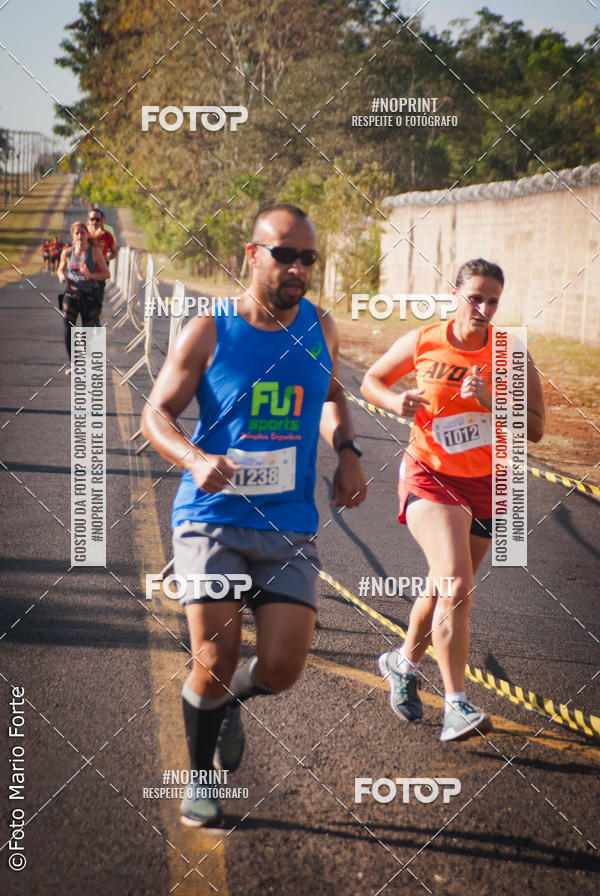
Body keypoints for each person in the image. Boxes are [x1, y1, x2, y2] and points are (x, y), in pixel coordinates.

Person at [142, 204, 367, 826]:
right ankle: (198, 777)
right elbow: (156, 414)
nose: (297, 268)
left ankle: (230, 702)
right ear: (251, 254)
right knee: (212, 657)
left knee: (282, 668)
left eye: (308, 258)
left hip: (289, 522)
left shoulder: (320, 325)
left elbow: (330, 394)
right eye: (284, 255)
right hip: (210, 517)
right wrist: (192, 457)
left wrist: (346, 449)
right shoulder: (208, 330)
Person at [361, 259, 545, 742]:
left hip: (487, 483)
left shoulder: (510, 351)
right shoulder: (425, 340)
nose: (483, 308)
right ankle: (456, 706)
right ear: (455, 293)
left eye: (493, 301)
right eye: (475, 297)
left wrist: (492, 402)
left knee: (446, 586)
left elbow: (538, 429)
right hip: (430, 475)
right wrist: (394, 401)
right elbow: (370, 381)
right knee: (458, 586)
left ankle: (401, 664)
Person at [57, 221, 109, 374]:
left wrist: (90, 275)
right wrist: (61, 275)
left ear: (87, 235)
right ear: (73, 235)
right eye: (77, 233)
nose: (80, 236)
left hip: (89, 296)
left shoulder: (94, 253)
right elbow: (60, 268)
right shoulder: (67, 252)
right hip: (72, 293)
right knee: (68, 323)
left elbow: (106, 274)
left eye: (82, 233)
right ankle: (74, 364)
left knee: (87, 332)